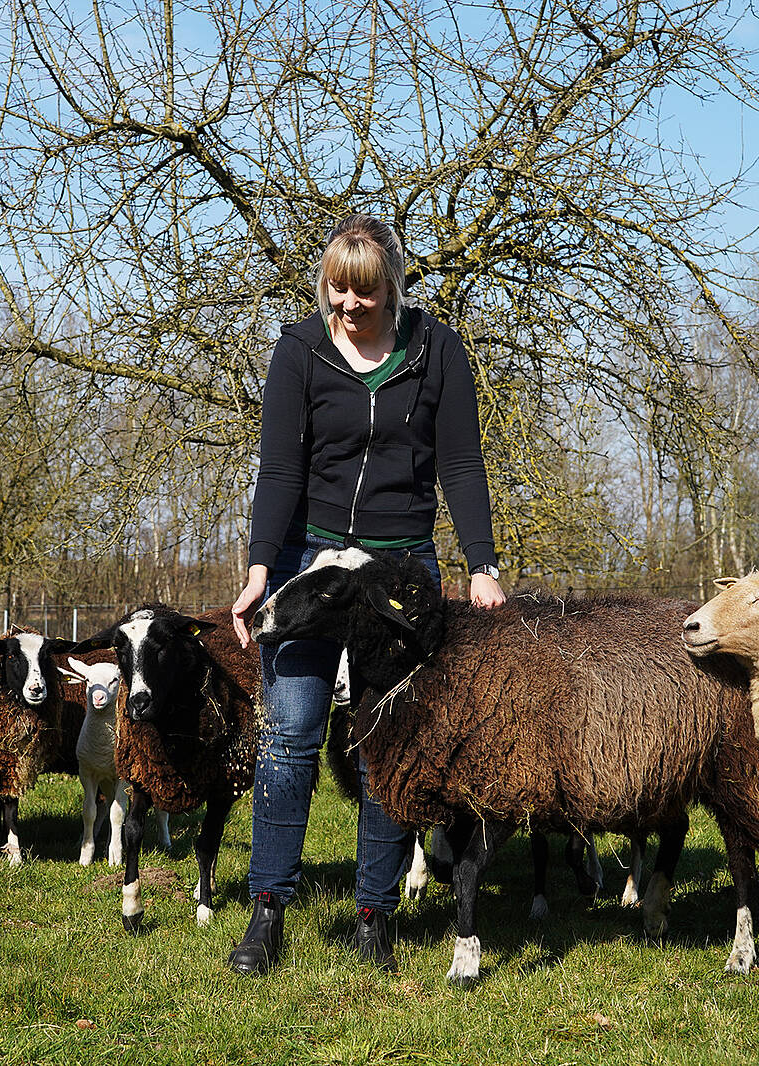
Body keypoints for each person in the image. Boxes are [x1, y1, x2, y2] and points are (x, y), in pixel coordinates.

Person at [228, 213, 506, 975]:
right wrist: (260, 568)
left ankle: (373, 918)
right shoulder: (299, 352)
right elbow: (280, 470)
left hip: (401, 569)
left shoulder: (436, 350)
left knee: (388, 750)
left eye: (365, 293)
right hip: (309, 561)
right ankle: (266, 914)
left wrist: (481, 563)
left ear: (394, 285)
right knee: (288, 740)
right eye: (336, 290)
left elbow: (461, 465)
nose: (348, 307)